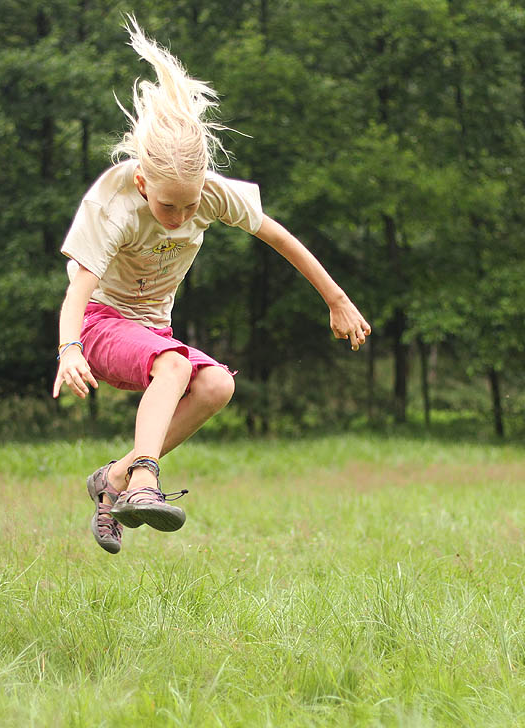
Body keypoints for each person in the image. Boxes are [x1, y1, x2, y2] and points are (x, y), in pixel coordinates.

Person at [53, 16, 371, 554]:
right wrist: (69, 348)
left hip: (152, 330)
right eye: (167, 206)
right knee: (175, 365)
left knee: (218, 385)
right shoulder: (113, 205)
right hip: (100, 324)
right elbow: (77, 292)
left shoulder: (212, 193)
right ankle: (144, 481)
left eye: (191, 204)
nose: (180, 217)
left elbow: (280, 237)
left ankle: (114, 479)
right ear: (142, 182)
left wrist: (336, 300)